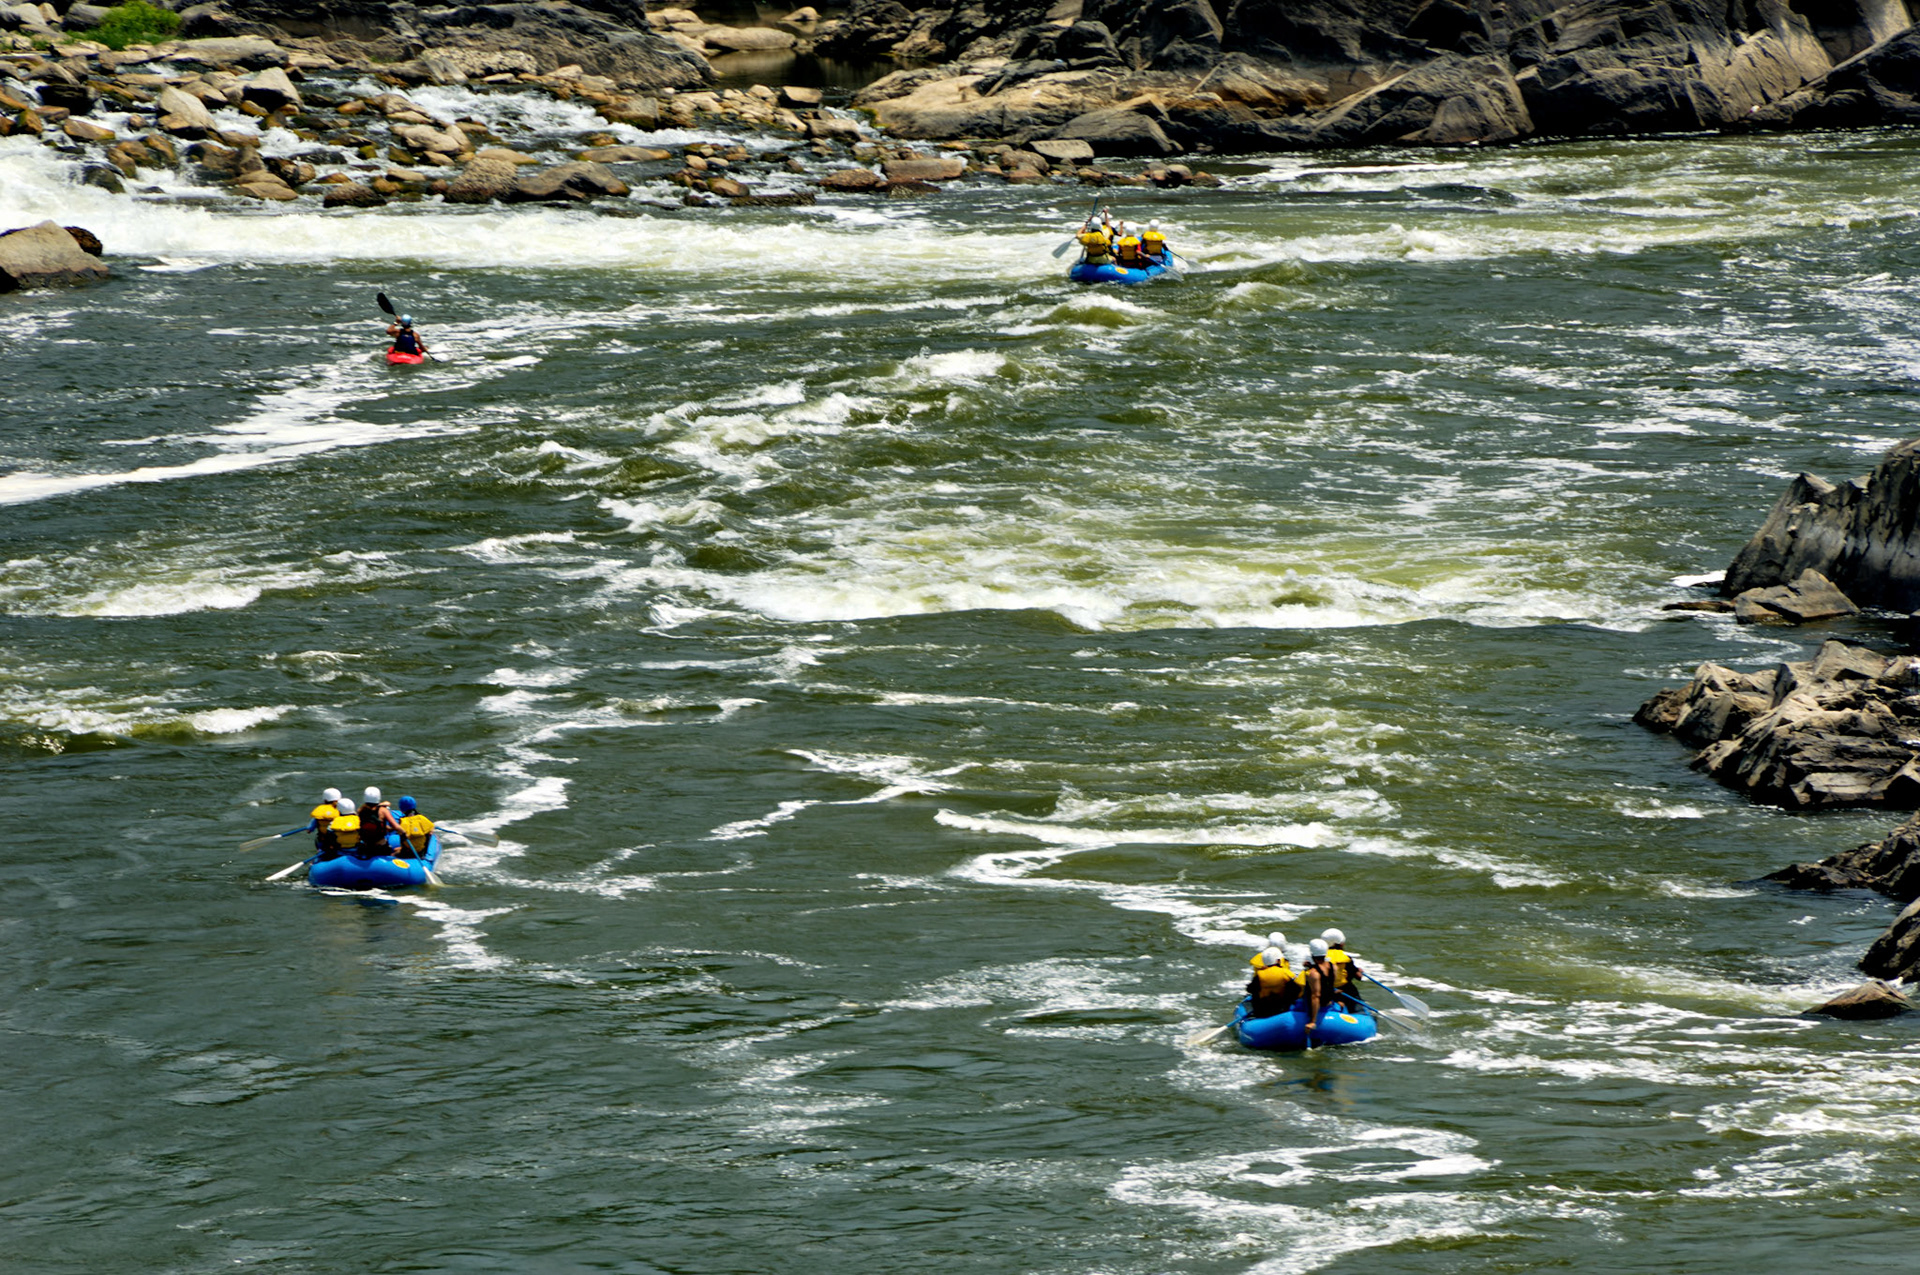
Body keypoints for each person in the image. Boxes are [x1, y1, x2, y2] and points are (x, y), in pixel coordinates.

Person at [1244, 944, 1301, 1019]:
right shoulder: (1286, 973)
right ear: (1278, 960)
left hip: (1262, 1011)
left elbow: (1250, 989)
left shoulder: (1260, 974)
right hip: (1282, 1010)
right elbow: (1297, 990)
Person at [1302, 938, 1339, 1034]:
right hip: (1328, 1001)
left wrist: (1313, 1021)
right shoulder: (1333, 967)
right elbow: (1329, 984)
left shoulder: (1313, 973)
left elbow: (1316, 996)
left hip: (1319, 1004)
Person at [355, 786, 405, 856]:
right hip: (380, 847)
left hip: (366, 847)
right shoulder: (383, 810)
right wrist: (405, 833)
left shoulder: (360, 810)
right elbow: (396, 826)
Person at [1321, 927, 1364, 1006]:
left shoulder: (1318, 957)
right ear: (1339, 944)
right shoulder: (1346, 958)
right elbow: (1359, 977)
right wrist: (1359, 971)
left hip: (1322, 991)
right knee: (1351, 990)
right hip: (1343, 991)